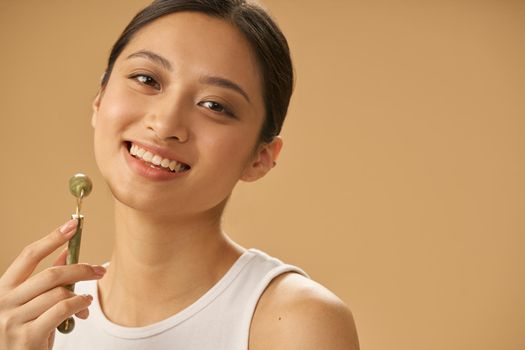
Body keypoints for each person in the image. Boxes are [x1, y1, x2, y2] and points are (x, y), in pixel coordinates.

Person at [0, 0, 359, 349]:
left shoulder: (294, 323)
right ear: (99, 98)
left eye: (214, 105)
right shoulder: (30, 326)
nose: (166, 123)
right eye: (146, 79)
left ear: (261, 158)